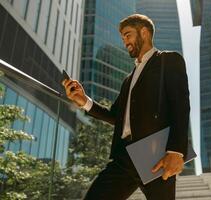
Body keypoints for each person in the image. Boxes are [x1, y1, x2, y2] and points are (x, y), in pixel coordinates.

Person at [62, 14, 190, 200]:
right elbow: (115, 116)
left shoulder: (168, 60)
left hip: (154, 153)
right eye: (122, 38)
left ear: (144, 33)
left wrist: (176, 151)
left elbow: (180, 104)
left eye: (128, 35)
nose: (125, 41)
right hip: (123, 157)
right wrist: (84, 101)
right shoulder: (128, 79)